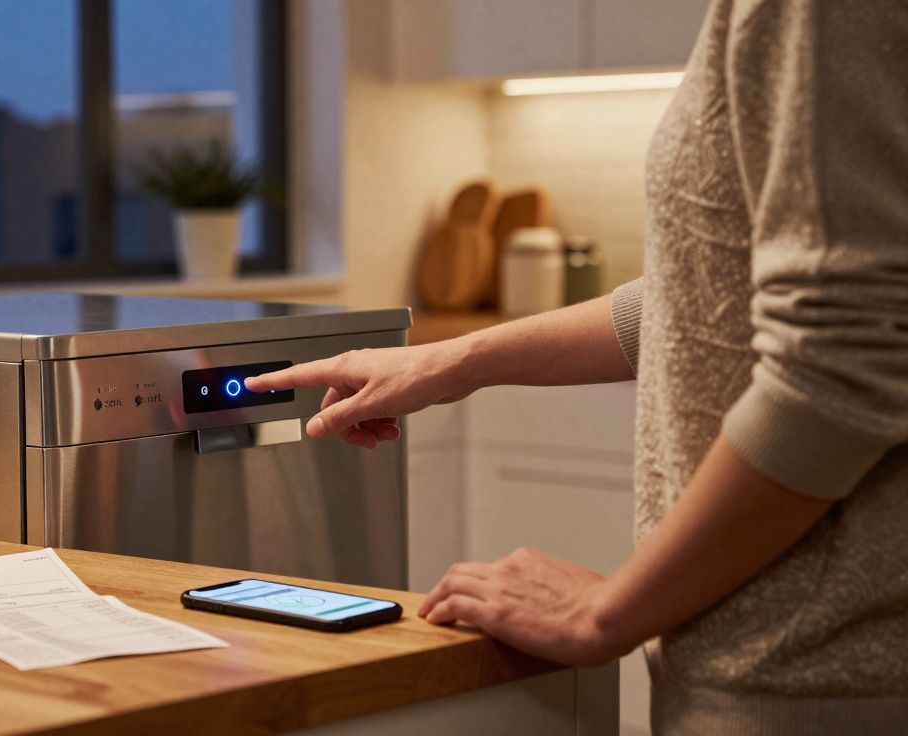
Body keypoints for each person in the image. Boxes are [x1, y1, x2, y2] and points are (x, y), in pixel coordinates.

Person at [246, 1, 908, 732]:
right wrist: (456, 359)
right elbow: (705, 290)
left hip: (817, 675)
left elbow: (838, 365)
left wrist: (607, 611)